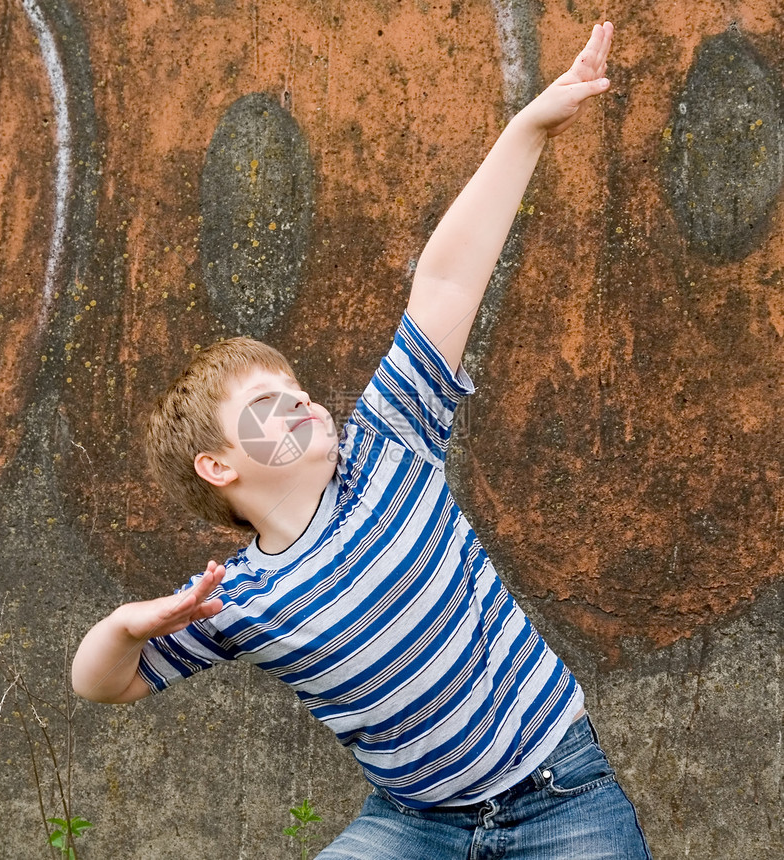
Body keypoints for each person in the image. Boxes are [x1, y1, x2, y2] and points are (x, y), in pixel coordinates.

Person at [73, 21, 651, 858]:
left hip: (562, 799)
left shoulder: (390, 447)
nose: (303, 400)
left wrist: (529, 129)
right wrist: (129, 625)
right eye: (270, 403)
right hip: (413, 827)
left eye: (299, 387)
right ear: (218, 465)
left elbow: (447, 280)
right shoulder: (235, 600)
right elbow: (102, 685)